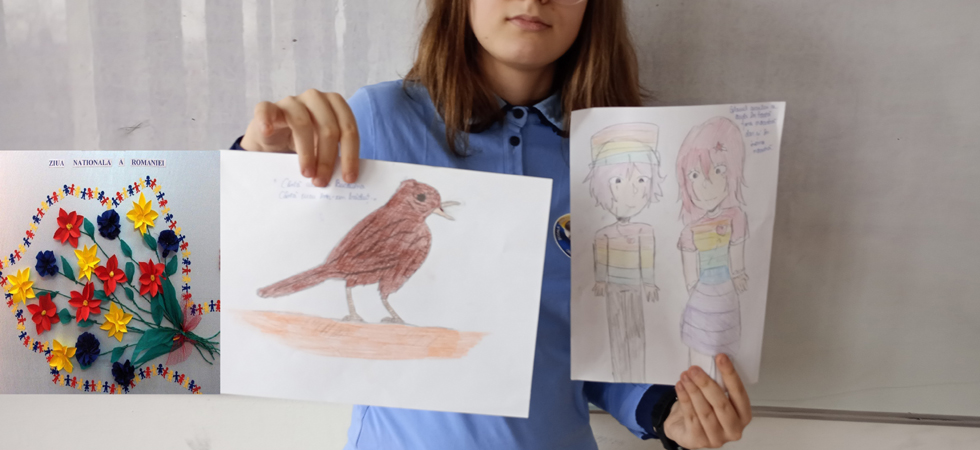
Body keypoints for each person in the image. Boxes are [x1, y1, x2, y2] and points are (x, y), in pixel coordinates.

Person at [235, 1, 752, 449]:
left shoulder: (614, 159)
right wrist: (256, 162)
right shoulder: (377, 120)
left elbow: (593, 348)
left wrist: (666, 410)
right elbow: (239, 271)